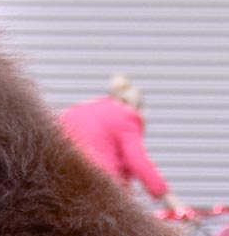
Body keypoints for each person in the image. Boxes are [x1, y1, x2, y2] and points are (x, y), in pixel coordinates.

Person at [59, 74, 190, 216]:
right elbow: (139, 163)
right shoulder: (125, 115)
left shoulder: (75, 111)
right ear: (137, 107)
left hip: (65, 193)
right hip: (102, 194)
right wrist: (174, 204)